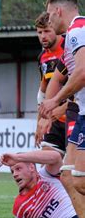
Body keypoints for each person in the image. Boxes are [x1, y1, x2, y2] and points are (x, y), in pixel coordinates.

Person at [39, 0, 85, 218]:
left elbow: (82, 72)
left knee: (78, 179)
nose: (48, 21)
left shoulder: (78, 30)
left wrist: (56, 99)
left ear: (57, 11)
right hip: (81, 115)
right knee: (68, 177)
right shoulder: (73, 36)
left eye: (48, 14)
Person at [0, 150, 85, 218]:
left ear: (31, 167)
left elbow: (56, 156)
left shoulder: (46, 175)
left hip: (81, 215)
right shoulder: (19, 207)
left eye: (18, 169)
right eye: (12, 172)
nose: (15, 174)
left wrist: (18, 157)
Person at [34, 12, 69, 154]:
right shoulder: (42, 57)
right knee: (48, 162)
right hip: (53, 121)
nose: (43, 36)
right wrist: (39, 122)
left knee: (71, 170)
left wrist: (65, 108)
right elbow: (42, 91)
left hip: (76, 115)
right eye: (39, 32)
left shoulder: (71, 48)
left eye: (47, 31)